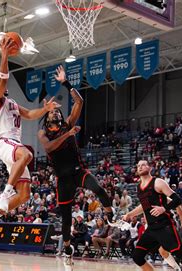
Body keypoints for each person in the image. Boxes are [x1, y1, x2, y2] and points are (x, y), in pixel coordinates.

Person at [0, 36, 60, 240]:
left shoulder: (12, 103)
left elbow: (30, 115)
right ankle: (5, 193)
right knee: (27, 154)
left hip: (14, 147)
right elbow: (4, 79)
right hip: (5, 143)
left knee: (25, 195)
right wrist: (4, 56)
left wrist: (44, 109)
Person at [37, 65, 113, 265]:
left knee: (98, 188)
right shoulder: (44, 133)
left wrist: (66, 83)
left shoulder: (68, 123)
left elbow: (79, 101)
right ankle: (68, 248)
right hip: (63, 178)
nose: (56, 115)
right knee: (66, 216)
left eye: (57, 113)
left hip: (78, 171)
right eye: (52, 114)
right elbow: (50, 148)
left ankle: (110, 214)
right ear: (48, 118)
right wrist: (68, 135)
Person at [123, 160, 182, 271]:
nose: (140, 167)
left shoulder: (158, 182)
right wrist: (129, 214)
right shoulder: (138, 187)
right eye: (138, 165)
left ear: (150, 168)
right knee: (137, 256)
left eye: (143, 165)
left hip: (165, 226)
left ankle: (178, 267)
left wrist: (168, 212)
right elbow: (144, 206)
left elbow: (177, 200)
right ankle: (175, 268)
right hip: (152, 228)